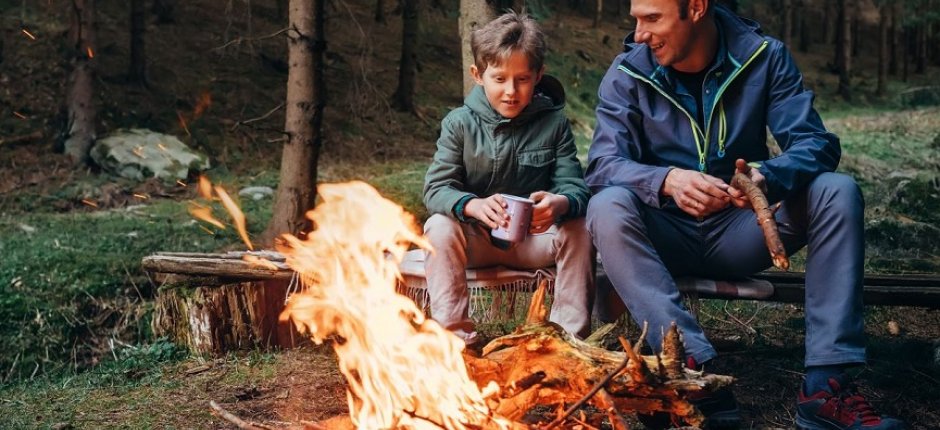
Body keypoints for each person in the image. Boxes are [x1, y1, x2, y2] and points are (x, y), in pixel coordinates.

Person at [585, 0, 906, 429]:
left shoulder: (764, 57)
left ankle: (825, 386)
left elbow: (817, 143)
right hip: (662, 237)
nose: (639, 33)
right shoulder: (628, 72)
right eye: (636, 19)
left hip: (743, 230)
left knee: (837, 190)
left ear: (696, 8)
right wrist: (667, 181)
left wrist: (765, 177)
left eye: (652, 18)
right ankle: (692, 371)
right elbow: (602, 164)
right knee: (606, 205)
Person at [422, 11, 594, 347]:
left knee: (580, 226)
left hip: (534, 240)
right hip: (477, 242)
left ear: (538, 75)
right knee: (438, 227)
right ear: (478, 75)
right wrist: (471, 206)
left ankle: (566, 341)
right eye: (499, 79)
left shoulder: (553, 124)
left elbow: (576, 188)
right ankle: (455, 341)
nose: (511, 92)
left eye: (523, 79)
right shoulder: (459, 124)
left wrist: (560, 202)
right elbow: (435, 189)